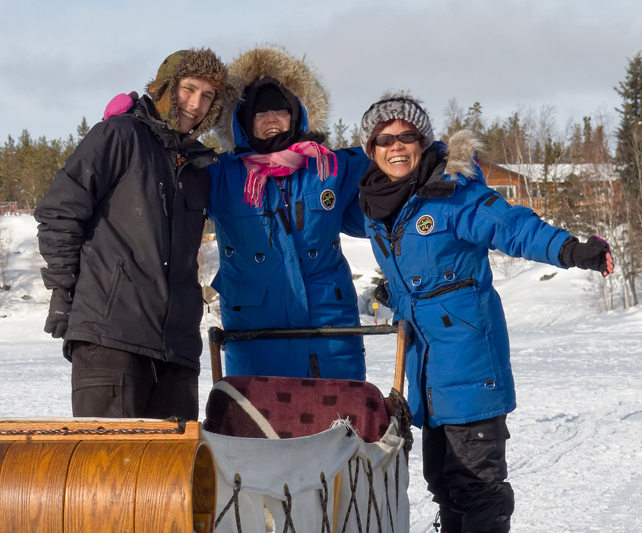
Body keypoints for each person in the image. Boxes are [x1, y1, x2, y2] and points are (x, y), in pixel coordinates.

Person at [357, 91, 614, 533]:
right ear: (370, 150)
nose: (395, 146)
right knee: (441, 481)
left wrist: (572, 250)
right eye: (384, 139)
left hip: (470, 362)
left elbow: (513, 227)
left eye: (407, 136)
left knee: (478, 487)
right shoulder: (376, 205)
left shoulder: (455, 194)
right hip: (426, 372)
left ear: (424, 142)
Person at [34, 48, 227, 421]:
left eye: (207, 97)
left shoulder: (199, 165)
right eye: (189, 89)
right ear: (165, 88)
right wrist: (63, 288)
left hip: (178, 353)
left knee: (171, 477)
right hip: (111, 342)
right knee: (108, 475)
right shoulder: (119, 136)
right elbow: (59, 210)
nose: (196, 104)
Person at [206, 46, 372, 380]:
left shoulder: (329, 165)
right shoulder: (219, 175)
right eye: (259, 113)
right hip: (255, 337)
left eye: (280, 110)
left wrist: (445, 159)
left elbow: (393, 160)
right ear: (242, 121)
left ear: (297, 113)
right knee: (258, 428)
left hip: (328, 330)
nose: (270, 119)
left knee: (340, 425)